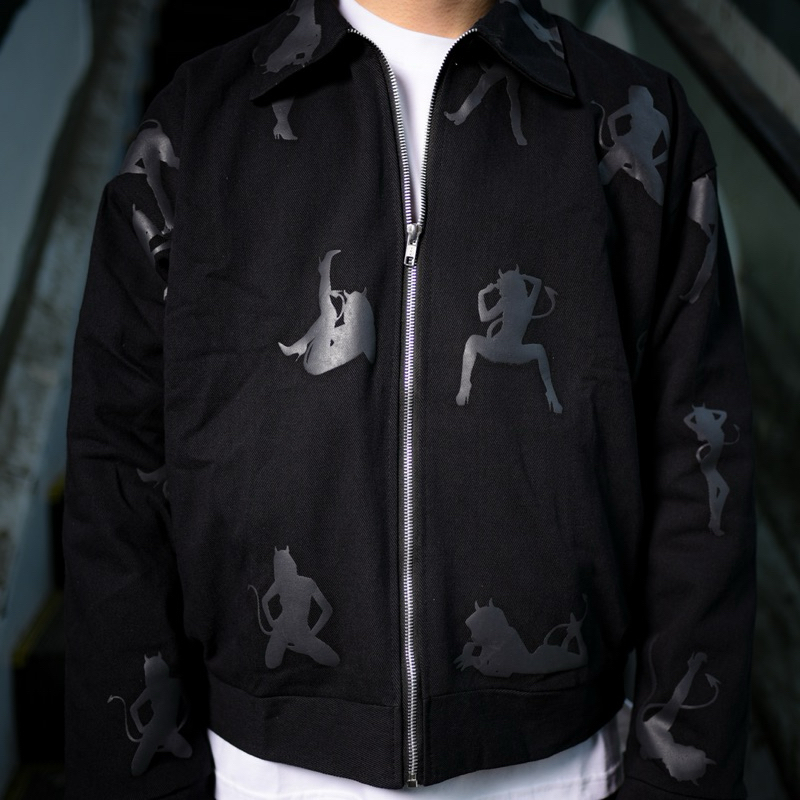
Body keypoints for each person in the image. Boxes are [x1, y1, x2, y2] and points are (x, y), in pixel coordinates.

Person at [62, 0, 756, 798]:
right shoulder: (199, 124)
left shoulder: (627, 116)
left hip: (561, 768)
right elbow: (115, 474)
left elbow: (705, 481)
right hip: (255, 768)